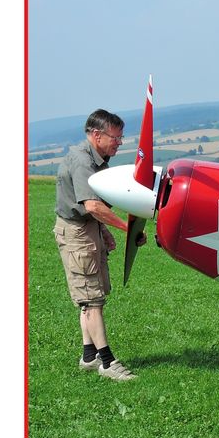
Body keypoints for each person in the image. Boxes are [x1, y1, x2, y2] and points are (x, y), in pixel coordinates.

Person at [54, 109, 146, 381]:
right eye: (115, 138)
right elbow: (92, 205)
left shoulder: (99, 159)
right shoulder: (83, 162)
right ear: (97, 135)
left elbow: (96, 205)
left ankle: (89, 356)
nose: (119, 143)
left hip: (88, 228)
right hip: (77, 234)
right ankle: (107, 362)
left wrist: (104, 229)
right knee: (91, 299)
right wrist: (127, 229)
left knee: (92, 296)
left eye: (121, 137)